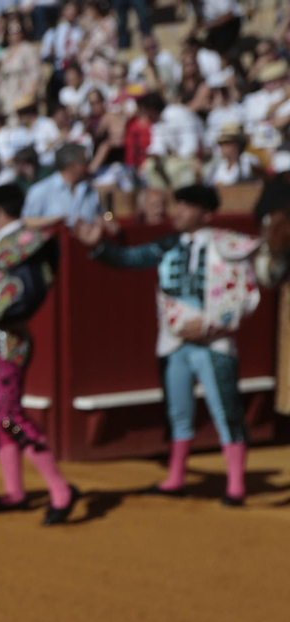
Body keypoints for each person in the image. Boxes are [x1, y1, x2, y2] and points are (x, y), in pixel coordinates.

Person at [74, 184, 259, 505]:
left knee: (226, 410)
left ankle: (237, 485)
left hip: (213, 341)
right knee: (178, 411)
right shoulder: (168, 244)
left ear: (206, 213)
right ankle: (176, 477)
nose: (179, 211)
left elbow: (246, 294)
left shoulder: (229, 245)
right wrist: (98, 247)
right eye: (179, 205)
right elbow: (129, 259)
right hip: (174, 341)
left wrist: (210, 323)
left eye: (187, 206)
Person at [0, 184, 79, 523]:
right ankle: (14, 491)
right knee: (0, 415)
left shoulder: (22, 243)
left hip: (4, 340)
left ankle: (60, 489)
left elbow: (18, 293)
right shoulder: (9, 243)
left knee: (10, 414)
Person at [21, 143, 103, 227]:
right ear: (71, 166)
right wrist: (57, 221)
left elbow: (101, 216)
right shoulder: (40, 190)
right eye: (85, 162)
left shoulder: (90, 189)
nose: (88, 166)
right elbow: (27, 221)